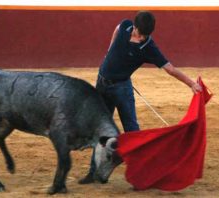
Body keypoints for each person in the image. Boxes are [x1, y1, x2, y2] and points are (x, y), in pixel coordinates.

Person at [78, 11, 202, 184]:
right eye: (140, 33)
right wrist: (109, 49)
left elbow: (170, 69)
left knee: (132, 131)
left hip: (122, 89)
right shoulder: (126, 25)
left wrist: (191, 84)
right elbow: (117, 27)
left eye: (146, 35)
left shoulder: (149, 47)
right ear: (134, 27)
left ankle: (142, 172)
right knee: (100, 129)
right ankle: (93, 172)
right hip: (102, 84)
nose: (142, 37)